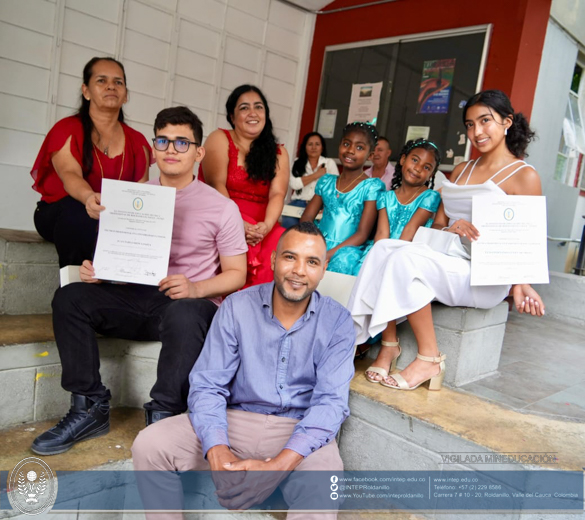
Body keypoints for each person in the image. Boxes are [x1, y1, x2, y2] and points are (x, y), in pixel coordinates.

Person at [31, 106, 248, 456]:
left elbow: (237, 273)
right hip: (134, 297)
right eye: (162, 141)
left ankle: (165, 414)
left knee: (187, 312)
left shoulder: (221, 207)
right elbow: (115, 255)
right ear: (154, 147)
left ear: (198, 152)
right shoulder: (132, 197)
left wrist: (196, 288)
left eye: (181, 142)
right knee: (69, 297)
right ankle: (89, 406)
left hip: (184, 306)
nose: (171, 150)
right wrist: (98, 272)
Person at [131, 222, 356, 519]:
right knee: (150, 444)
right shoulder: (237, 307)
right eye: (290, 257)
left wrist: (277, 466)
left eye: (312, 261)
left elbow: (331, 403)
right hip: (234, 421)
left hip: (298, 428)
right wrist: (217, 449)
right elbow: (208, 384)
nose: (299, 270)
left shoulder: (338, 321)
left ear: (323, 268)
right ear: (274, 260)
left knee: (324, 485)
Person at [349, 89, 545, 391]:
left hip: (486, 275)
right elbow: (439, 224)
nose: (476, 132)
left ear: (506, 122)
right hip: (452, 256)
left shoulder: (524, 175)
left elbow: (526, 239)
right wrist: (453, 229)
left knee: (404, 259)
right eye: (469, 124)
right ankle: (380, 340)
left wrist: (521, 283)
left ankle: (429, 358)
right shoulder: (462, 170)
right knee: (384, 248)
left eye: (485, 121)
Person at [31, 57, 153, 267]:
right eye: (101, 81)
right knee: (79, 213)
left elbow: (140, 193)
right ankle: (74, 289)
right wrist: (88, 198)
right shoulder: (67, 129)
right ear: (86, 91)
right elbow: (70, 174)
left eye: (118, 82)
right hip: (61, 213)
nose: (110, 87)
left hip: (111, 220)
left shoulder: (138, 142)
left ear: (126, 95)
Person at [201, 84, 289, 288]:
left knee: (282, 241)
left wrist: (266, 226)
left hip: (262, 226)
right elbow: (216, 185)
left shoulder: (279, 153)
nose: (253, 113)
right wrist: (237, 222)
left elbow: (278, 194)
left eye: (258, 107)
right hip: (223, 216)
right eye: (244, 108)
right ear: (232, 116)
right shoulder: (220, 138)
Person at [300, 122, 385, 276]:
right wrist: (314, 243)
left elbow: (362, 233)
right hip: (318, 242)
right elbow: (306, 217)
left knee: (342, 262)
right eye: (346, 144)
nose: (350, 151)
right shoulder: (327, 182)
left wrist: (327, 254)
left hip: (348, 249)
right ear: (340, 145)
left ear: (370, 155)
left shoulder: (371, 187)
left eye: (359, 148)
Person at [374, 138, 441, 243]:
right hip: (382, 249)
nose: (418, 168)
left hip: (406, 252)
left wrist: (392, 258)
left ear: (430, 176)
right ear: (403, 159)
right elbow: (382, 233)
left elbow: (410, 232)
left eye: (426, 168)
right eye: (415, 160)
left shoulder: (430, 197)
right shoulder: (385, 197)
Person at [282, 132, 338, 229]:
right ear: (305, 147)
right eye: (310, 144)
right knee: (288, 223)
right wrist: (316, 175)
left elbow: (335, 187)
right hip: (298, 203)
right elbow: (294, 184)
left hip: (321, 204)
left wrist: (326, 206)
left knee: (315, 230)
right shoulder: (297, 162)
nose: (313, 147)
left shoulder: (329, 163)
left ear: (322, 147)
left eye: (317, 144)